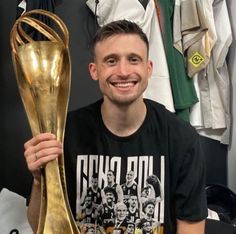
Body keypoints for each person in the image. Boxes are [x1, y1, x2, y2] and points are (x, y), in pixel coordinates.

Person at [24, 19, 207, 234]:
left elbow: (191, 228)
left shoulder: (181, 138)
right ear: (94, 71)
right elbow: (39, 226)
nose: (123, 71)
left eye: (133, 59)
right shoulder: (65, 133)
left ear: (148, 69)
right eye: (111, 61)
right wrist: (39, 181)